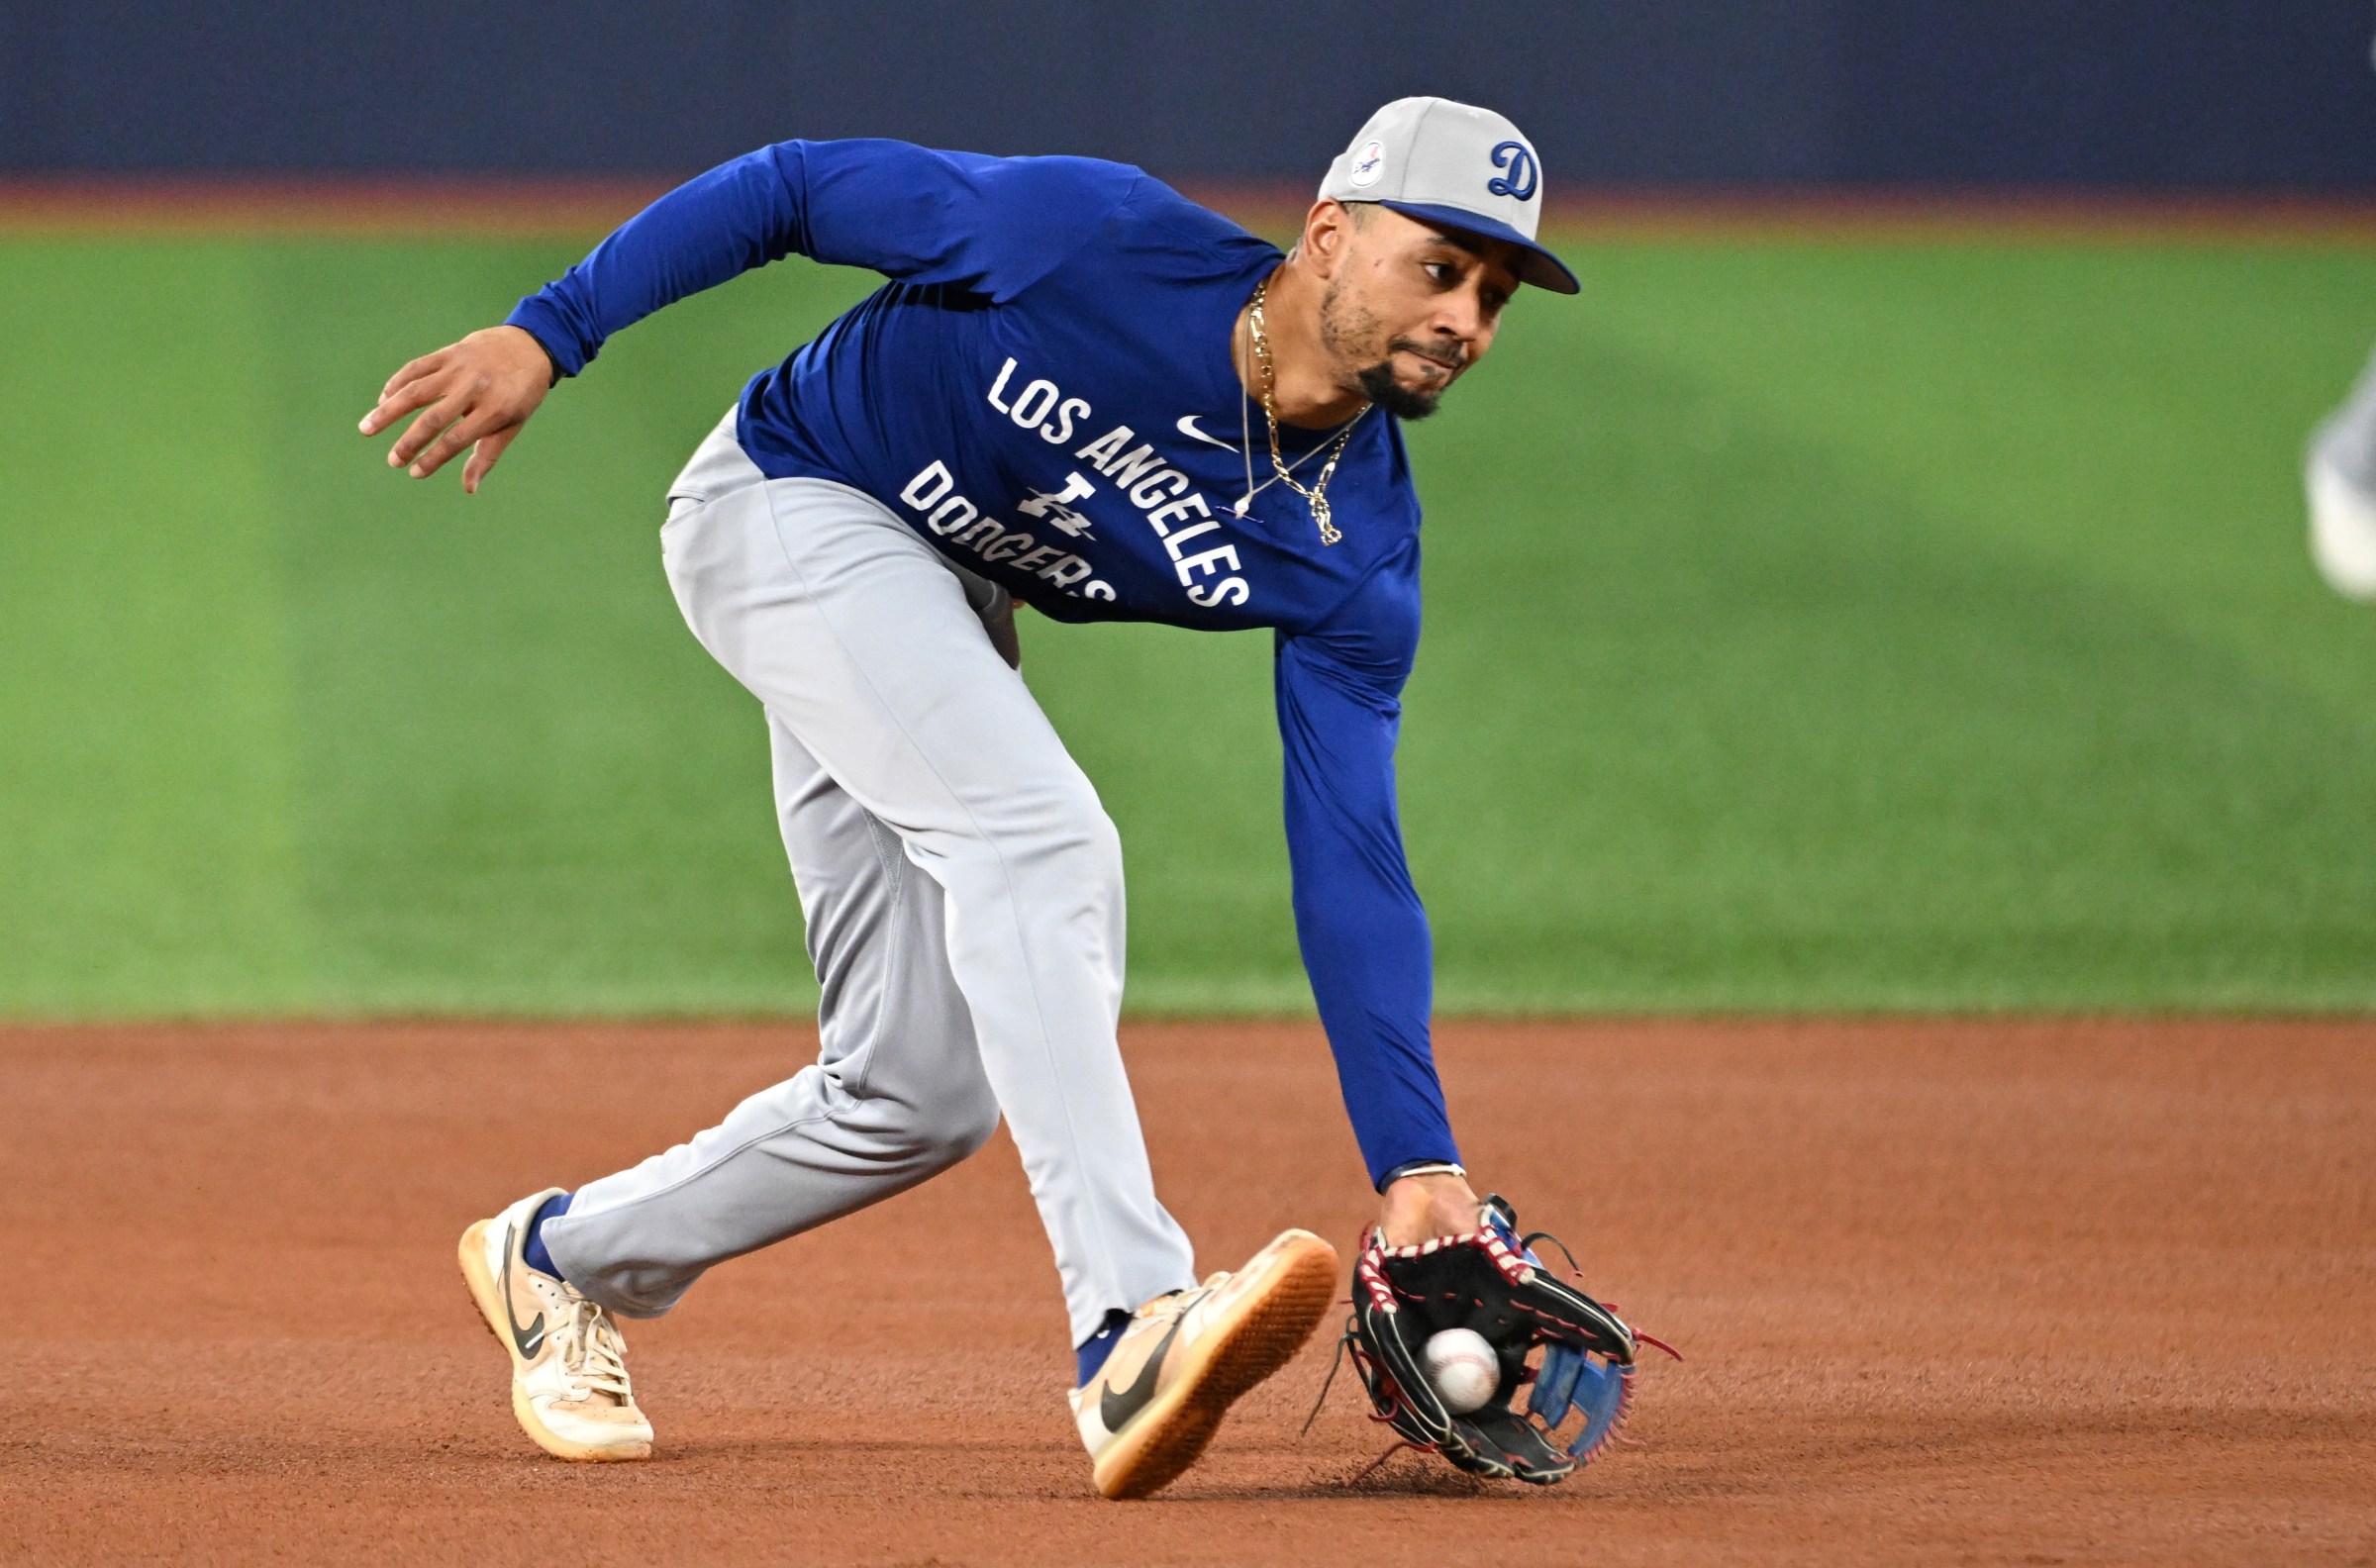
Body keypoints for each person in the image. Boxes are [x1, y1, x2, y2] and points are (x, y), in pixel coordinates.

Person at [361, 96, 1574, 1500]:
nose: (1467, 317)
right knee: (1037, 834)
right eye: (1441, 266)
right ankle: (1130, 1327)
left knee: (915, 1093)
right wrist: (550, 331)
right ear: (1327, 235)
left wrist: (1417, 1155)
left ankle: (556, 1259)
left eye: (1495, 293)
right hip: (791, 497)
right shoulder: (1087, 236)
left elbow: (1352, 852)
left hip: (933, 600)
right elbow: (793, 188)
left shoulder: (1357, 549)